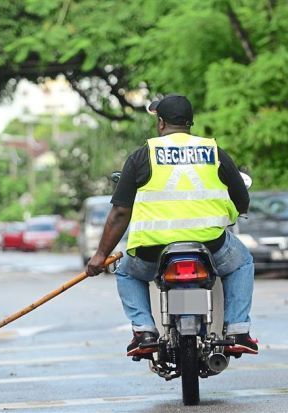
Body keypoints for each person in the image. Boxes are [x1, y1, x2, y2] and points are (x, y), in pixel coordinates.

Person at [85, 95, 257, 358]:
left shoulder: (143, 156)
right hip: (210, 245)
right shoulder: (214, 152)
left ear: (161, 123)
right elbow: (241, 199)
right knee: (242, 263)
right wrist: (234, 213)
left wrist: (100, 256)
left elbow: (120, 213)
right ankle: (238, 331)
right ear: (190, 123)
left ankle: (144, 331)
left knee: (127, 274)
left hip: (153, 250)